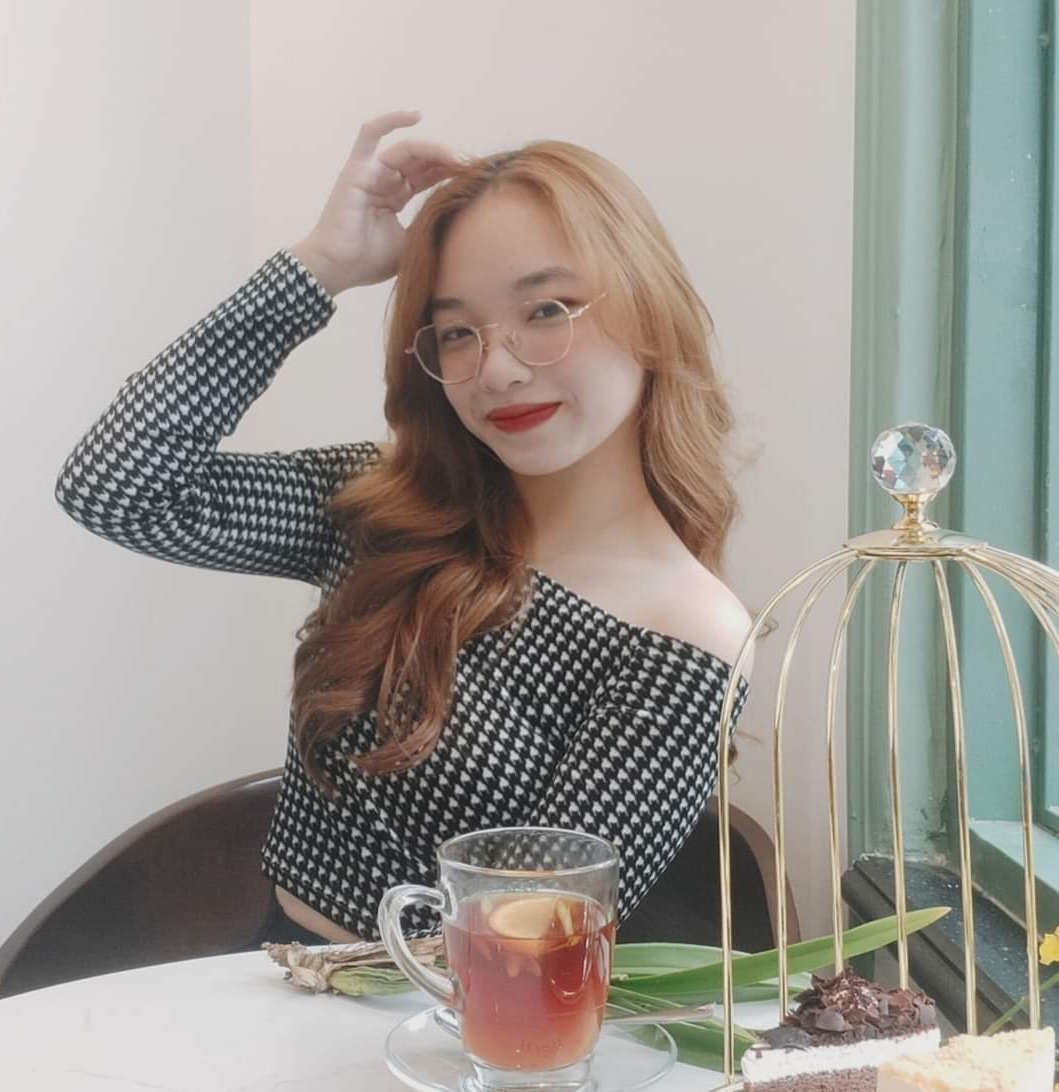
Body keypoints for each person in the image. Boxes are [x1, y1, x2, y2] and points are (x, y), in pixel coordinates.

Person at [55, 109, 754, 947]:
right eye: (458, 332)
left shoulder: (687, 633)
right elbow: (116, 486)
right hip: (267, 979)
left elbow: (526, 937)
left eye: (547, 309)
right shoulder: (387, 508)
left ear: (648, 309)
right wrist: (320, 267)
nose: (497, 369)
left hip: (442, 1020)